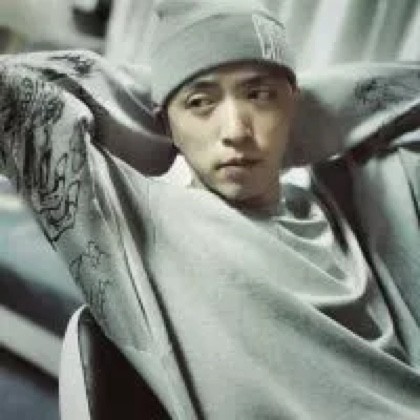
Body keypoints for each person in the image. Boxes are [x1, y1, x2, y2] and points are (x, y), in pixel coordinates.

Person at [1, 0, 420, 418]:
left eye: (259, 96)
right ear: (164, 122)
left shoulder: (348, 197)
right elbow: (16, 92)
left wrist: (303, 111)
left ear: (295, 104)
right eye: (201, 103)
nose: (235, 131)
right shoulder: (141, 225)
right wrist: (168, 90)